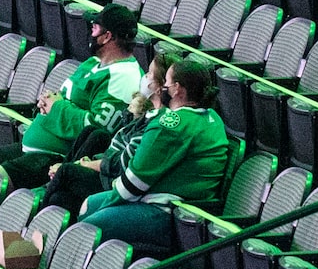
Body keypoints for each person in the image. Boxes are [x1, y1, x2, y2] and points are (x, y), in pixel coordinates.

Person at [75, 59, 237, 254]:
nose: (163, 87)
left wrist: (108, 203)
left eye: (167, 82)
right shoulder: (212, 117)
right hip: (178, 209)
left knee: (86, 230)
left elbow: (134, 183)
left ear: (177, 89)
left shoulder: (172, 124)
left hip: (166, 211)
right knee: (88, 204)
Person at [0, 3, 144, 190]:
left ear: (107, 36)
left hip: (57, 156)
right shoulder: (93, 63)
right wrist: (47, 100)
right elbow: (64, 99)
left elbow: (96, 128)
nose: (90, 31)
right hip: (35, 146)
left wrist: (55, 107)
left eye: (95, 27)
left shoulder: (124, 78)